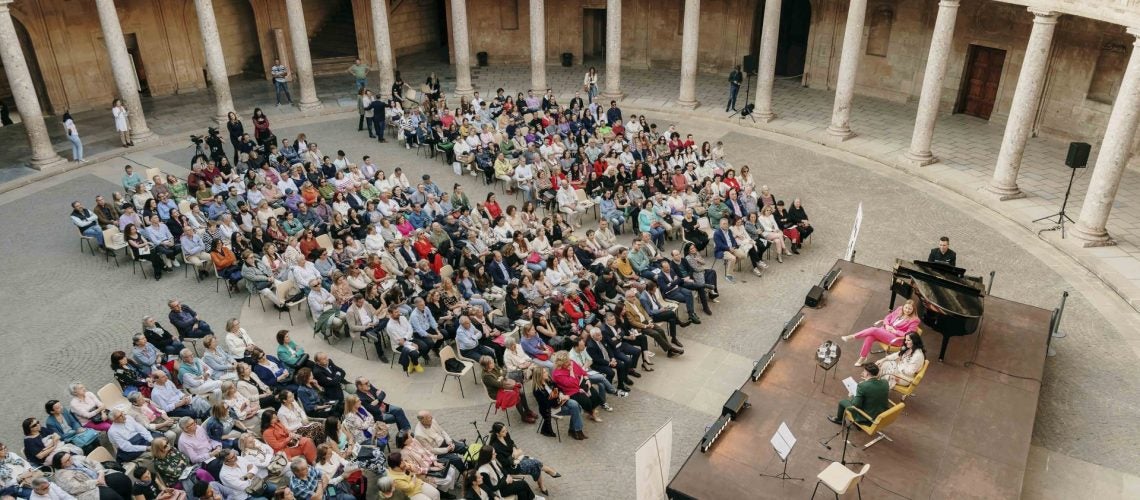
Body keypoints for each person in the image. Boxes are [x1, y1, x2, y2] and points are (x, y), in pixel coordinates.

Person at [841, 299, 922, 366]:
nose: (907, 310)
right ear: (904, 306)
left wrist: (895, 331)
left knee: (873, 330)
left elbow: (909, 335)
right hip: (885, 331)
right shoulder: (900, 309)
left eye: (909, 309)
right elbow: (888, 317)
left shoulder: (915, 320)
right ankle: (863, 357)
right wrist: (886, 325)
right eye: (906, 307)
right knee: (870, 337)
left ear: (913, 310)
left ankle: (852, 336)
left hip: (897, 339)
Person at [487, 422, 560, 495]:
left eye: (505, 429)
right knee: (535, 464)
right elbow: (504, 462)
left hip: (518, 458)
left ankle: (542, 484)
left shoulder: (506, 434)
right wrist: (514, 456)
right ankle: (549, 472)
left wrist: (515, 449)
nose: (506, 431)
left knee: (534, 463)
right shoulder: (495, 446)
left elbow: (512, 443)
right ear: (497, 433)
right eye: (503, 431)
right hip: (511, 466)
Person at [480, 356, 538, 424]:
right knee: (516, 395)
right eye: (491, 363)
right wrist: (501, 376)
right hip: (496, 392)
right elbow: (498, 384)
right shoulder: (486, 376)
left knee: (521, 390)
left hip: (504, 385)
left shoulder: (493, 366)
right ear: (486, 366)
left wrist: (501, 377)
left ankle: (527, 410)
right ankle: (523, 416)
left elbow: (504, 371)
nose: (493, 363)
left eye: (492, 361)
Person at [51, 452, 133, 500]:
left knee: (122, 480)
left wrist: (100, 473)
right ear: (61, 465)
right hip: (88, 490)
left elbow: (94, 463)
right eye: (67, 461)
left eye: (70, 457)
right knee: (110, 496)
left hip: (99, 476)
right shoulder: (61, 475)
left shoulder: (77, 458)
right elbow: (75, 488)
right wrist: (96, 481)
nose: (71, 460)